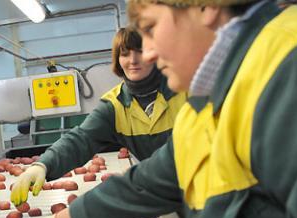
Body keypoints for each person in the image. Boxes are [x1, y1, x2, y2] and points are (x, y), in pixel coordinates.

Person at [17, 0, 297, 218]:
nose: (145, 54)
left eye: (150, 28)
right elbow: (146, 184)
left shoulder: (296, 67)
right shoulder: (206, 103)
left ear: (206, 6)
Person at [10, 27, 186, 206]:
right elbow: (80, 139)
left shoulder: (185, 91)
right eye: (125, 54)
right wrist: (42, 165)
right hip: (167, 194)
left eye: (140, 52)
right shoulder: (115, 105)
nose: (132, 60)